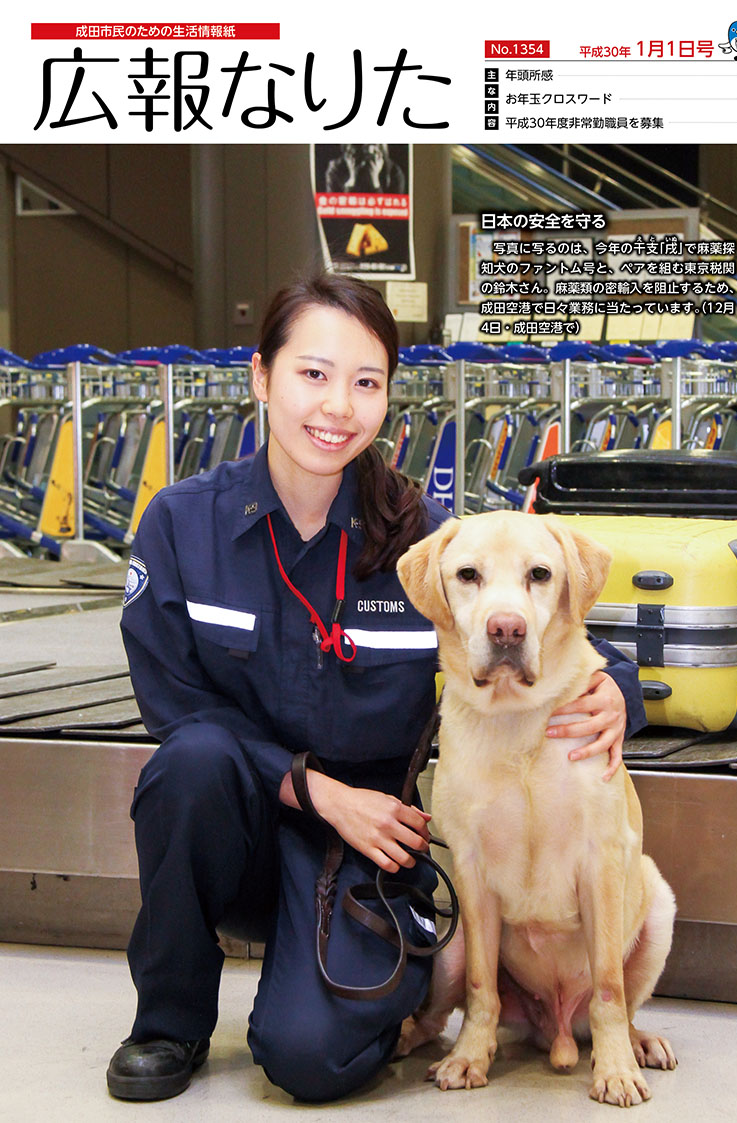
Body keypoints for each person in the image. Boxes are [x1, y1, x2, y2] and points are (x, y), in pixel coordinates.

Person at [106, 273, 646, 1104]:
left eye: (366, 382)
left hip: (364, 852)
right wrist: (314, 789)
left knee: (311, 1062)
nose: (337, 406)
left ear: (389, 397)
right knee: (191, 761)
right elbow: (173, 705)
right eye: (312, 374)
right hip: (239, 828)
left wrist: (621, 691)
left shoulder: (419, 538)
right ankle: (168, 1019)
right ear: (262, 376)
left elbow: (533, 611)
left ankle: (331, 987)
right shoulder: (182, 524)